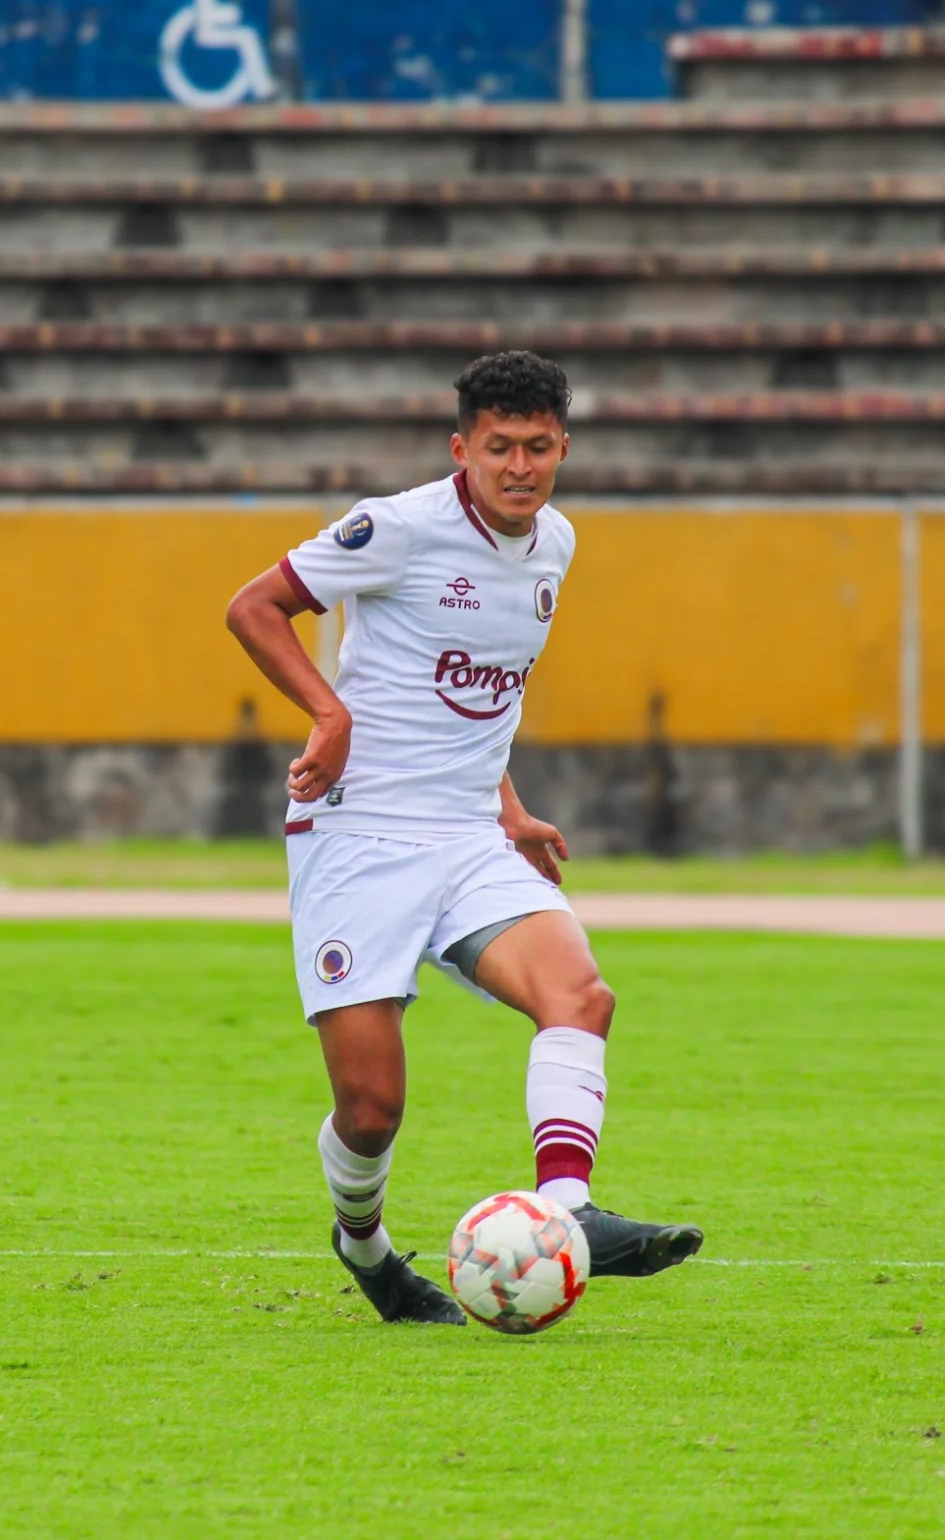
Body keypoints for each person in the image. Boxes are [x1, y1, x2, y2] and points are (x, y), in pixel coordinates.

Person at [225, 351, 703, 1324]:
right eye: (498, 448)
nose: (519, 466)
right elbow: (252, 608)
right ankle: (364, 1249)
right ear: (462, 448)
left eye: (537, 447)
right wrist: (327, 713)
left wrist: (507, 803)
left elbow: (482, 695)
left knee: (581, 994)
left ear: (564, 447)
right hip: (357, 835)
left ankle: (568, 1211)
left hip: (467, 832)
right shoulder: (397, 529)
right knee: (371, 1110)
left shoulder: (557, 545)